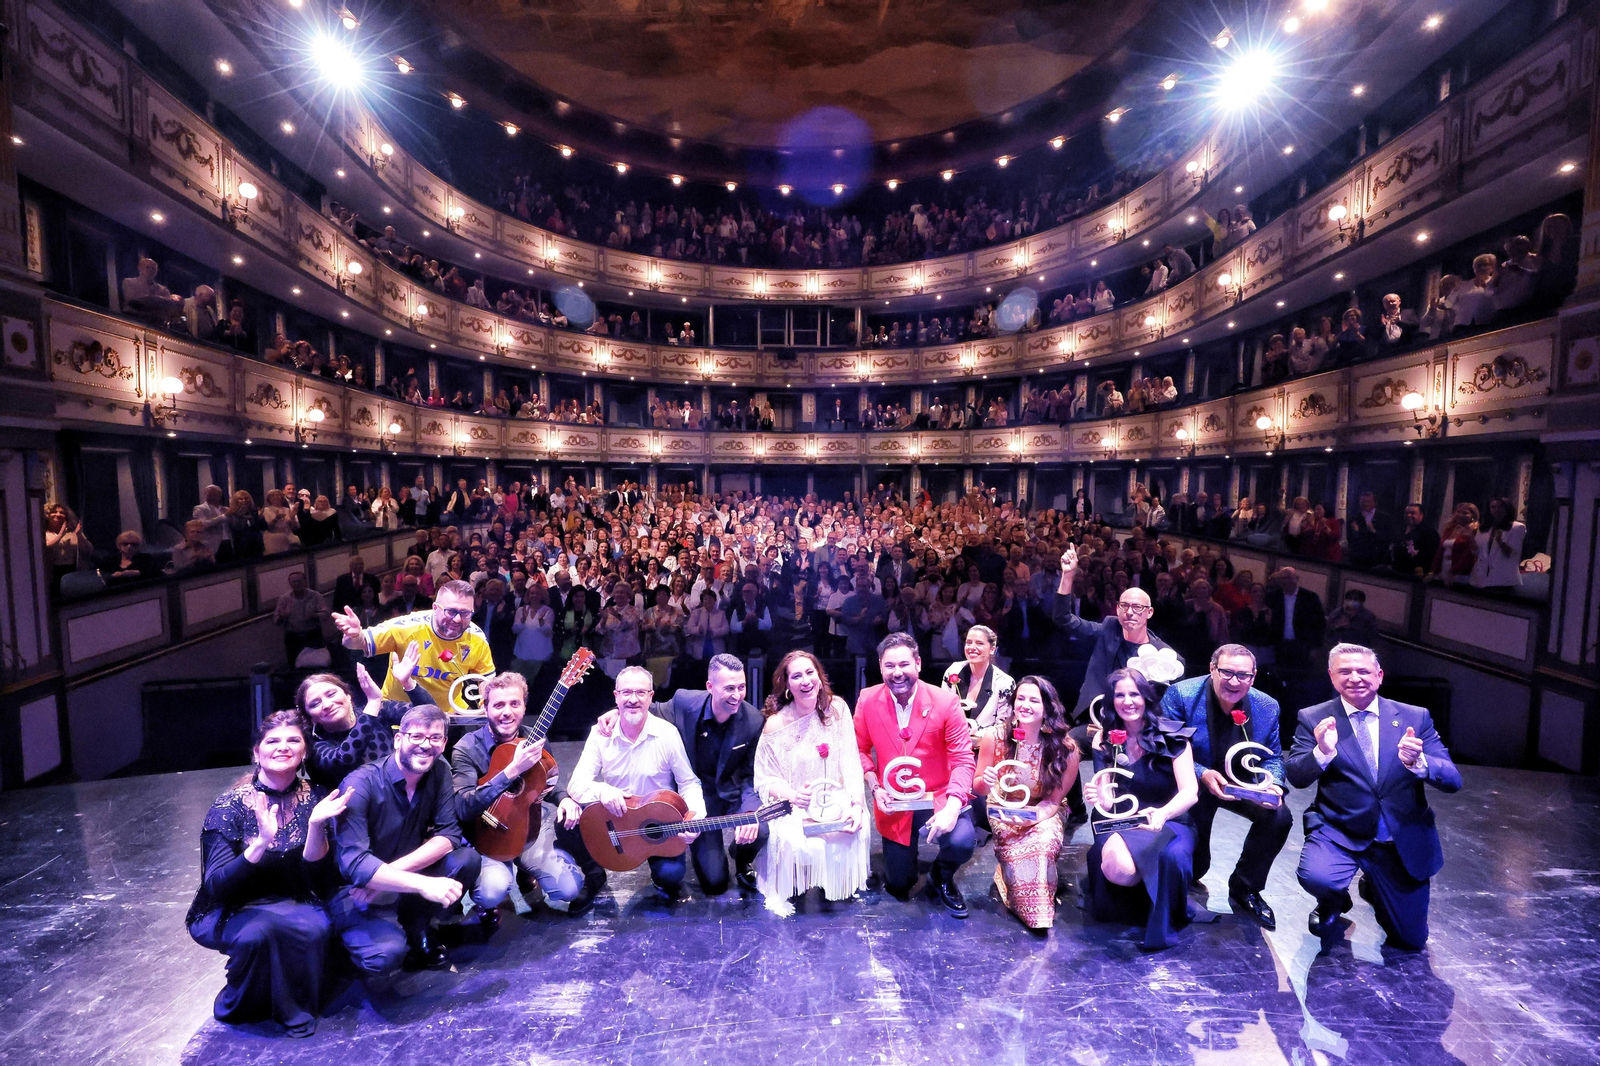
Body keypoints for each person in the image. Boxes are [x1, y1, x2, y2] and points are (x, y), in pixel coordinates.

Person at [185, 711, 350, 1037]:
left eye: (293, 741)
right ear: (256, 753)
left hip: (295, 897)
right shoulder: (230, 806)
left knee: (314, 927)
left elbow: (321, 877)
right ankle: (241, 1003)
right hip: (231, 905)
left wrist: (316, 827)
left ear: (304, 752)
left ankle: (296, 1005)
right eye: (273, 741)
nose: (283, 747)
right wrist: (259, 844)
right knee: (258, 933)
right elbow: (216, 886)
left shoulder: (317, 796)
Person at [1289, 644, 1462, 950]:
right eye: (1345, 671)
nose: (1355, 677)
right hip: (1339, 830)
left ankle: (1374, 887)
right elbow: (1297, 776)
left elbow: (1452, 779)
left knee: (1410, 941)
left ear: (1379, 676)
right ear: (1332, 677)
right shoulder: (1313, 717)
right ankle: (1333, 900)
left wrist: (1420, 764)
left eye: (1363, 671)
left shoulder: (1415, 717)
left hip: (1398, 839)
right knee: (1318, 877)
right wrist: (1322, 752)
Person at [593, 654, 767, 897]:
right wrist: (616, 712)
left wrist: (750, 813)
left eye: (741, 687)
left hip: (730, 795)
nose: (737, 695)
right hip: (694, 799)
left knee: (763, 825)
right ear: (710, 687)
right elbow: (647, 708)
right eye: (729, 688)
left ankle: (741, 857)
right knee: (715, 884)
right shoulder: (684, 703)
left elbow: (750, 775)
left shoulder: (754, 720)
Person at [330, 704, 481, 975]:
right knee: (386, 958)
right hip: (356, 891)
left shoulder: (439, 772)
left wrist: (388, 878)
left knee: (466, 860)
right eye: (417, 736)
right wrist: (421, 883)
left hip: (389, 880)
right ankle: (345, 941)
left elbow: (449, 835)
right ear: (398, 739)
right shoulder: (361, 783)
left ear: (444, 742)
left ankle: (417, 925)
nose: (426, 745)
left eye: (435, 738)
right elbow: (354, 864)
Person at [1158, 645, 1291, 930]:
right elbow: (1165, 747)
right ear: (1212, 669)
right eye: (1227, 672)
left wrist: (1275, 785)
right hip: (1193, 784)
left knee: (1279, 816)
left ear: (1253, 677)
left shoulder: (1267, 706)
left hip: (1240, 784)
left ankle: (1246, 887)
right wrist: (1202, 773)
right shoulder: (1181, 695)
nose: (1234, 681)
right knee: (1196, 867)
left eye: (1243, 675)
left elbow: (1274, 757)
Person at [451, 672, 589, 930]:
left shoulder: (537, 738)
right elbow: (463, 806)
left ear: (525, 706)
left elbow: (544, 780)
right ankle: (488, 897)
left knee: (569, 889)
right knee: (492, 891)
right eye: (499, 705)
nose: (507, 712)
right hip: (488, 834)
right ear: (485, 707)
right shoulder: (467, 748)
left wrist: (563, 799)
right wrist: (510, 772)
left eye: (514, 704)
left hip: (530, 828)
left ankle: (527, 868)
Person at [854, 633, 976, 916]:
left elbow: (963, 759)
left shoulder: (945, 702)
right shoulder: (867, 700)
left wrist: (953, 806)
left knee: (961, 841)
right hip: (894, 802)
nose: (897, 673)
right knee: (899, 883)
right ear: (881, 667)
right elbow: (858, 749)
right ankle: (905, 864)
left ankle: (941, 877)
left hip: (938, 796)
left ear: (918, 664)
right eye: (889, 666)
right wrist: (874, 786)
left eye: (904, 664)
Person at [565, 665, 707, 902]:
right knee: (566, 819)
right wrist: (602, 789)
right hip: (615, 821)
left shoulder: (667, 734)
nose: (633, 699)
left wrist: (695, 817)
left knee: (670, 875)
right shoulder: (600, 734)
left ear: (651, 697)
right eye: (626, 692)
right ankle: (594, 874)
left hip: (656, 823)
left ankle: (656, 867)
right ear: (616, 696)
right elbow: (576, 784)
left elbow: (689, 782)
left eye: (641, 693)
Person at [1082, 668, 1199, 951]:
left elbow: (1190, 792)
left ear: (1146, 697)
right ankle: (1144, 900)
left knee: (1170, 857)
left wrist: (1162, 814)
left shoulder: (1173, 735)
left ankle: (1158, 905)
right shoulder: (1104, 740)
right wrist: (1098, 796)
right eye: (1120, 695)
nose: (1127, 701)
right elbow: (1108, 803)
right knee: (1118, 869)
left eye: (1134, 693)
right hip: (1122, 821)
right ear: (1111, 701)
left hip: (1169, 820)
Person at [752, 651, 869, 916]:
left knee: (854, 827)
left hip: (833, 802)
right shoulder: (776, 724)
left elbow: (851, 763)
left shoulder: (837, 709)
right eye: (796, 676)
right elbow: (764, 778)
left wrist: (856, 805)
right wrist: (793, 795)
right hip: (795, 805)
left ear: (819, 676)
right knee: (805, 844)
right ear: (787, 686)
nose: (805, 681)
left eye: (809, 672)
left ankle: (831, 882)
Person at [973, 676, 1079, 933]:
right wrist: (986, 781)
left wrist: (1033, 819)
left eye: (1034, 700)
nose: (1025, 705)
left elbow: (1054, 799)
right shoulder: (995, 737)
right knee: (1020, 864)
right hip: (1004, 808)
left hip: (1044, 811)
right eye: (1021, 698)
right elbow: (979, 788)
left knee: (1041, 849)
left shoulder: (1066, 747)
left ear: (1047, 707)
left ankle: (1039, 913)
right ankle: (1009, 874)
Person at [333, 579, 495, 708]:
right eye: (451, 611)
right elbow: (356, 643)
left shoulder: (477, 638)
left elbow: (486, 680)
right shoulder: (407, 626)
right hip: (399, 714)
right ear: (435, 608)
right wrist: (354, 634)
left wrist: (487, 705)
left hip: (447, 717)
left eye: (465, 613)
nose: (457, 619)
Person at [300, 646, 431, 788]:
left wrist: (408, 683)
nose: (327, 704)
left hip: (398, 795)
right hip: (353, 805)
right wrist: (373, 702)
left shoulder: (379, 710)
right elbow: (345, 758)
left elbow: (429, 715)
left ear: (348, 695)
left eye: (331, 694)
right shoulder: (316, 744)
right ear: (311, 717)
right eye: (315, 704)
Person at [940, 624, 1012, 747]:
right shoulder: (953, 671)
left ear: (992, 649)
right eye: (968, 642)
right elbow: (942, 710)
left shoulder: (1004, 682)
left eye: (979, 643)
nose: (972, 648)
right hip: (953, 745)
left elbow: (1003, 726)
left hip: (986, 748)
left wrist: (974, 736)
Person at [274, 571, 328, 667]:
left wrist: (314, 615)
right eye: (294, 582)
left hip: (312, 635)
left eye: (299, 581)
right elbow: (276, 620)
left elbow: (326, 614)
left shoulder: (315, 596)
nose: (297, 584)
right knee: (294, 664)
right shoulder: (284, 599)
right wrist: (283, 617)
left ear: (305, 581)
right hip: (293, 637)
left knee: (316, 664)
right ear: (290, 583)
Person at [1471, 497, 1526, 589]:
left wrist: (1500, 541)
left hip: (1503, 578)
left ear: (1507, 508)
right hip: (1482, 576)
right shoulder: (1485, 528)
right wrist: (1471, 540)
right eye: (1493, 507)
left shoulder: (1516, 527)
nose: (1496, 509)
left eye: (1500, 506)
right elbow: (1478, 553)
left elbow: (1512, 554)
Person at [1391, 503, 1442, 578]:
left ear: (1421, 515)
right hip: (1397, 572)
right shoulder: (1400, 530)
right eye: (1407, 513)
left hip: (1416, 575)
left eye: (1412, 513)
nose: (1409, 515)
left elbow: (1431, 555)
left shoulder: (1429, 532)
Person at [1345, 491, 1393, 569]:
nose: (1365, 504)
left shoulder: (1385, 517)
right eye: (1363, 501)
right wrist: (1356, 532)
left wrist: (1373, 531)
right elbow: (1350, 538)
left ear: (1375, 503)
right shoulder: (1354, 517)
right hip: (1359, 558)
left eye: (1368, 501)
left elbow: (1388, 537)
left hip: (1378, 559)